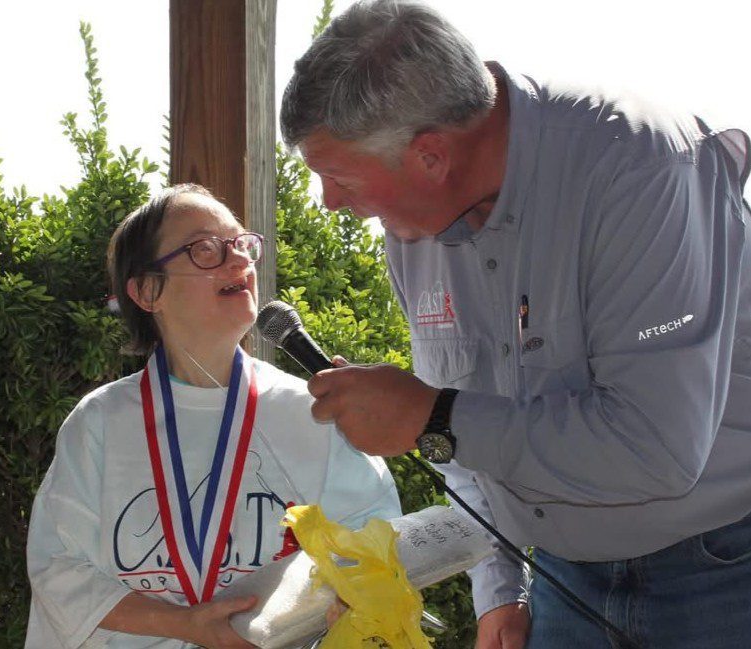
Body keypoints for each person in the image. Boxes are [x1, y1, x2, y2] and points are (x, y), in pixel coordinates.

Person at [280, 1, 751, 648]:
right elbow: (470, 432)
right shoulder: (412, 227)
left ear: (429, 156)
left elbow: (655, 448)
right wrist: (499, 587)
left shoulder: (640, 168)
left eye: (334, 176)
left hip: (721, 576)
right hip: (561, 577)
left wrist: (432, 415)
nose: (330, 203)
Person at [24, 184, 401, 649]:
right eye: (206, 249)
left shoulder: (310, 413)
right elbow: (58, 568)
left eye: (242, 244)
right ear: (146, 291)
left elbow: (374, 542)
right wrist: (185, 625)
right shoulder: (101, 421)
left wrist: (354, 597)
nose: (239, 260)